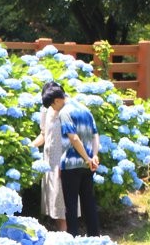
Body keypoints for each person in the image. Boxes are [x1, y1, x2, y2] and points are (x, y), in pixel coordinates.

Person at [41, 85, 101, 236]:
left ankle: (72, 238)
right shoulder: (85, 109)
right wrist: (94, 156)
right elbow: (95, 134)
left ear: (56, 100)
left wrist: (87, 158)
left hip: (70, 165)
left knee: (71, 206)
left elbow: (73, 138)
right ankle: (95, 236)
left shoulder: (65, 112)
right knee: (89, 203)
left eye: (52, 105)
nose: (53, 109)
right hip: (87, 166)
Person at [31, 81, 68, 232]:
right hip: (49, 162)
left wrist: (65, 163)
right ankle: (61, 234)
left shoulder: (68, 111)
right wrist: (29, 147)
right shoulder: (46, 111)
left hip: (63, 161)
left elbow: (72, 139)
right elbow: (43, 135)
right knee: (53, 202)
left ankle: (65, 236)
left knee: (63, 203)